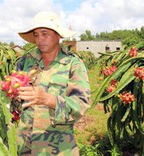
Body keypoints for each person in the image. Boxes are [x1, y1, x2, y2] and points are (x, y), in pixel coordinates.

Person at [15, 11, 91, 155]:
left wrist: (48, 99)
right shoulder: (25, 62)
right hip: (25, 146)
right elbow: (14, 101)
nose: (40, 39)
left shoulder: (73, 64)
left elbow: (81, 104)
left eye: (45, 33)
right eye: (36, 35)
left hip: (58, 148)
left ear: (58, 35)